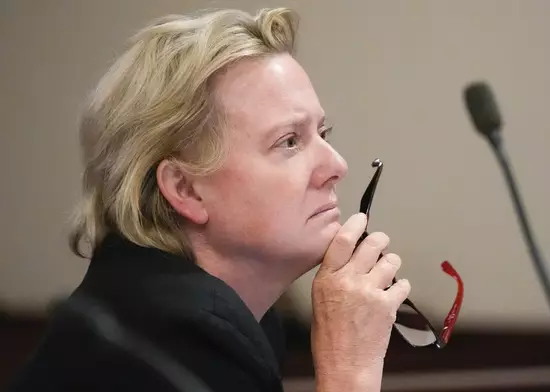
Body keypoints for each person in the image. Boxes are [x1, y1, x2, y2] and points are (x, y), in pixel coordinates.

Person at [8, 6, 410, 392]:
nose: (337, 164)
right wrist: (349, 372)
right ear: (185, 189)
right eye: (289, 141)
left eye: (323, 134)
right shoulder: (178, 334)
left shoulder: (198, 313)